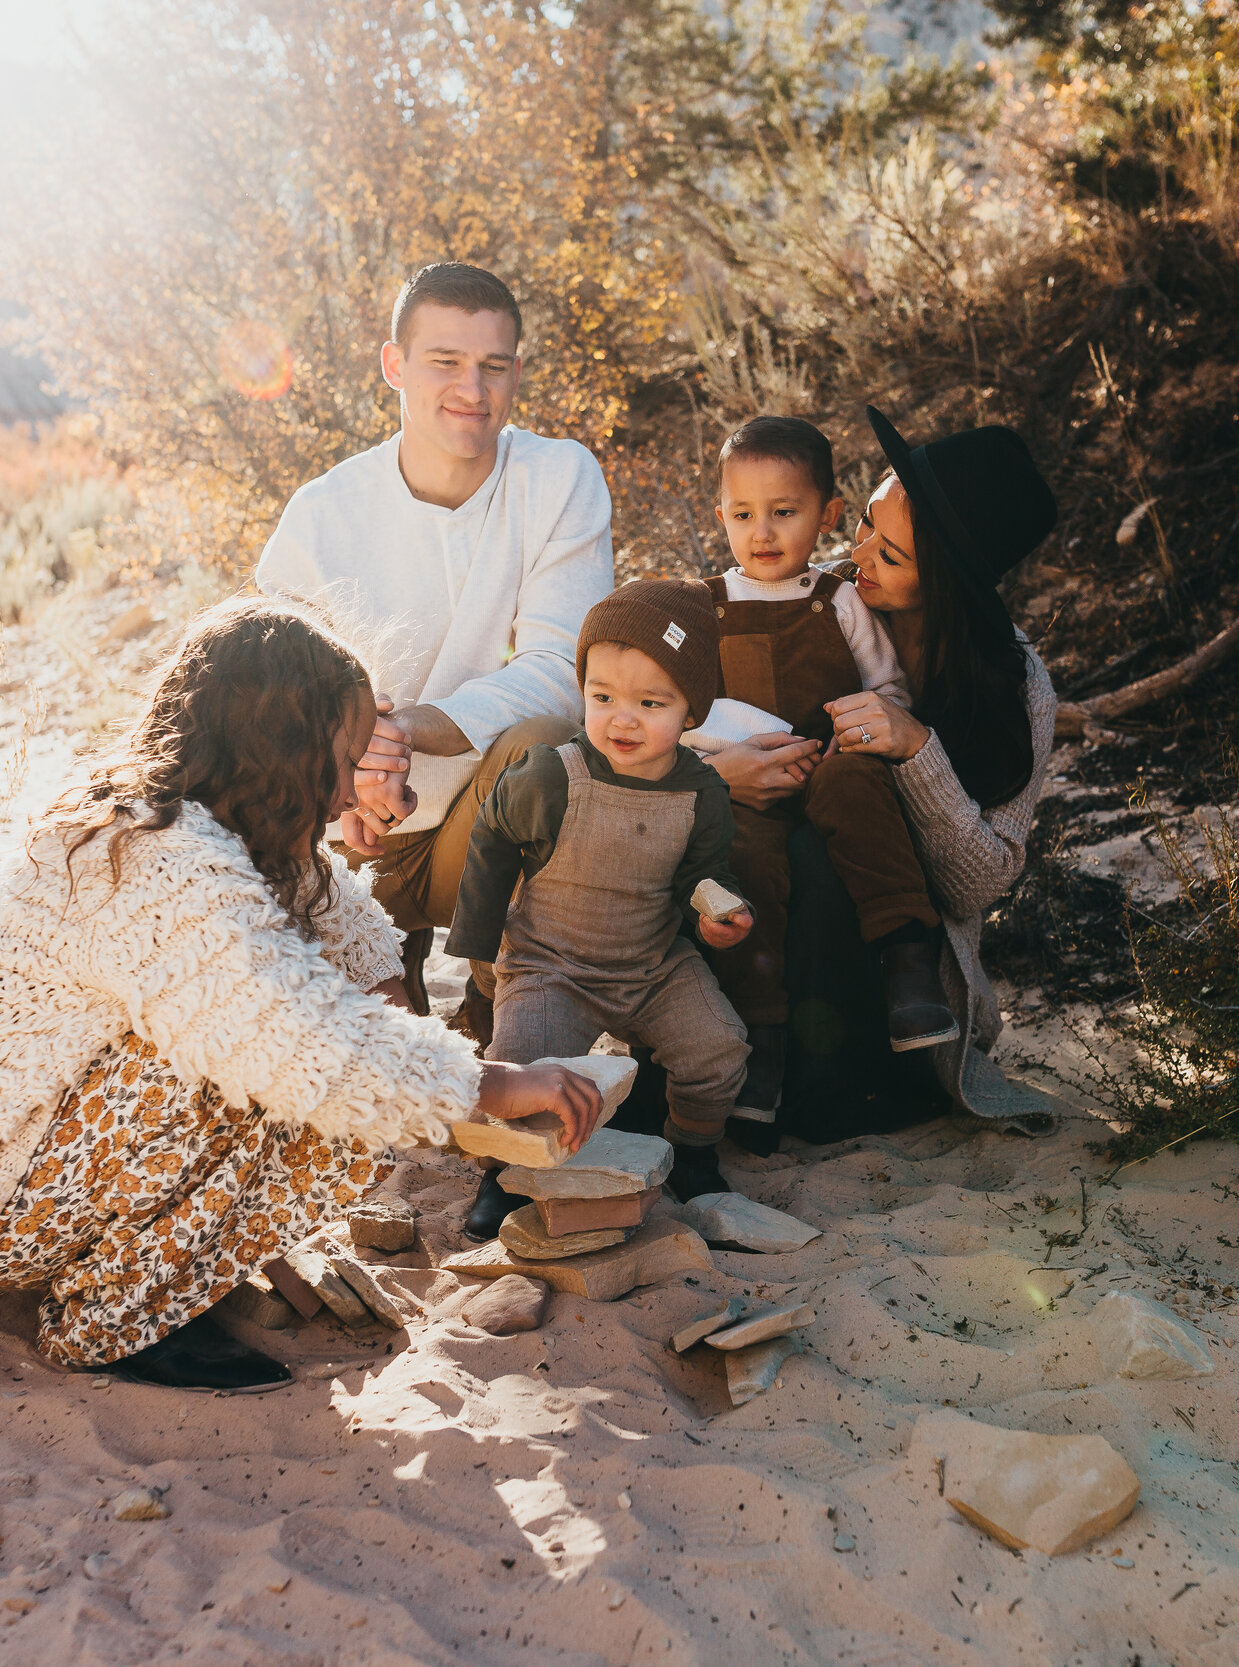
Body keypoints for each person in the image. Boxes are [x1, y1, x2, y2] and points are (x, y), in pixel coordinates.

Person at [0, 598, 601, 1391]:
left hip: (26, 1158)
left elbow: (348, 931)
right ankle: (110, 1320)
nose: (354, 789)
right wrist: (496, 1083)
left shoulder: (209, 825)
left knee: (333, 1058)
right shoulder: (158, 858)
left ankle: (155, 1272)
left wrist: (403, 1022)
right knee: (271, 1062)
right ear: (280, 752)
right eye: (346, 761)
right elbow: (306, 1041)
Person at [254, 262, 612, 1022]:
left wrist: (404, 729)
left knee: (551, 748)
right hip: (346, 840)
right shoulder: (323, 514)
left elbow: (562, 671)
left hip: (477, 831)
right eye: (445, 362)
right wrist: (350, 763)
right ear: (395, 365)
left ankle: (495, 984)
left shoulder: (558, 478)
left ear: (517, 373)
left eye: (493, 366)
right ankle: (390, 954)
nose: (471, 391)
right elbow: (267, 703)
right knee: (370, 1045)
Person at [701, 407, 1061, 1138]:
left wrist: (915, 750)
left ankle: (850, 1072)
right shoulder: (815, 599)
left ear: (952, 582)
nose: (858, 551)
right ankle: (744, 1055)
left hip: (887, 957)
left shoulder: (1017, 689)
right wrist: (723, 774)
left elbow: (980, 883)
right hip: (768, 908)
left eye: (890, 554)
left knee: (821, 842)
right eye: (865, 521)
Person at [449, 580, 755, 1223]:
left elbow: (699, 874)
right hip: (551, 964)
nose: (623, 718)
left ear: (691, 711)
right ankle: (502, 1179)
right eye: (603, 696)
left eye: (651, 702)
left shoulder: (702, 792)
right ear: (582, 691)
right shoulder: (550, 774)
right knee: (522, 1067)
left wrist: (718, 910)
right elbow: (494, 840)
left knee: (719, 1048)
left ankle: (694, 1152)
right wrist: (479, 952)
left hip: (652, 964)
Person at [700, 417, 958, 1135]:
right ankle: (765, 1039)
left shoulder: (836, 599)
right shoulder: (709, 606)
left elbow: (890, 693)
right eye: (744, 514)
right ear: (720, 515)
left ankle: (908, 960)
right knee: (746, 861)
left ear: (828, 516)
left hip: (831, 770)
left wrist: (854, 738)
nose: (764, 532)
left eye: (785, 513)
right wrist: (724, 762)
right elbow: (684, 717)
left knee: (854, 789)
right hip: (749, 784)